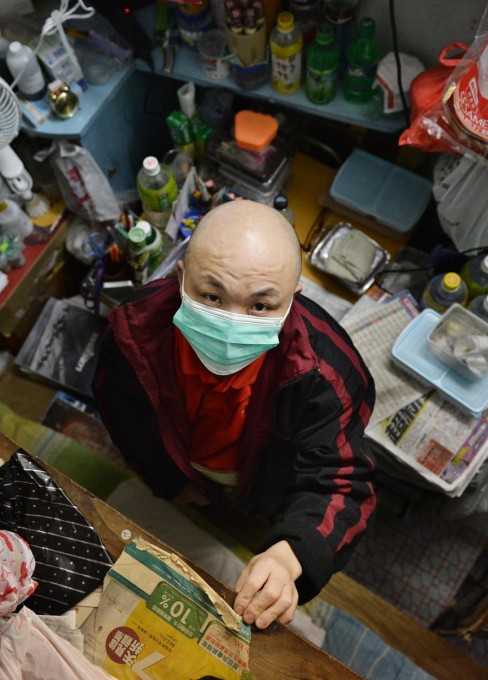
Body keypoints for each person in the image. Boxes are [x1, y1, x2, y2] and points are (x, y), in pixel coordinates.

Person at [94, 199, 376, 630]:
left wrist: (289, 555)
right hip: (182, 467)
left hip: (267, 488)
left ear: (293, 300)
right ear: (180, 278)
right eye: (211, 296)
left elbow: (340, 479)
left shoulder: (324, 371)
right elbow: (121, 413)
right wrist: (169, 482)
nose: (231, 324)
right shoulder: (134, 331)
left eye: (260, 307)